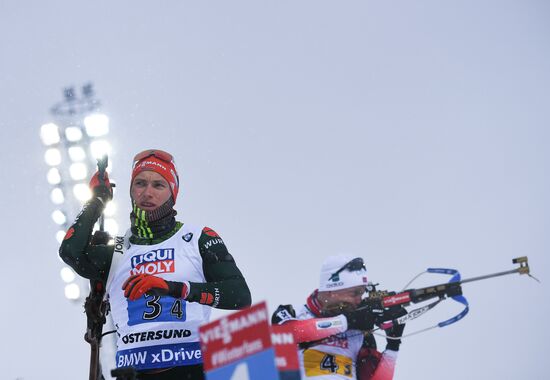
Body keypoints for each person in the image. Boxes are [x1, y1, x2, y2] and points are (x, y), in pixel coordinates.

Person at [59, 149, 252, 379]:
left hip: (189, 370)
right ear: (131, 190)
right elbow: (71, 251)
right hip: (133, 372)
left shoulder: (198, 239)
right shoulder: (117, 252)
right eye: (140, 183)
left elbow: (240, 296)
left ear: (173, 193)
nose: (147, 192)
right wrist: (97, 200)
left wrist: (175, 288)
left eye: (158, 185)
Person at [271, 254, 405, 380]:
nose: (359, 300)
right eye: (354, 293)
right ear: (331, 290)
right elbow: (291, 333)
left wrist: (393, 346)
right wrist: (346, 321)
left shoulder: (360, 333)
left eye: (362, 293)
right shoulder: (293, 313)